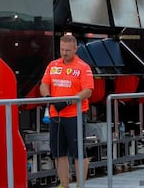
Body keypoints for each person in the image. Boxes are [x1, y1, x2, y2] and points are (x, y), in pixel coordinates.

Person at [40, 34, 94, 188]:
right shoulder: (53, 65)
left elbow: (88, 90)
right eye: (62, 49)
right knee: (58, 152)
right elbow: (44, 84)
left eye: (68, 50)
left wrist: (69, 101)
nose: (64, 53)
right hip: (56, 115)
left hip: (75, 115)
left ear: (75, 49)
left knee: (78, 152)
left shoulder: (83, 67)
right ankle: (64, 184)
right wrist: (49, 97)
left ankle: (80, 185)